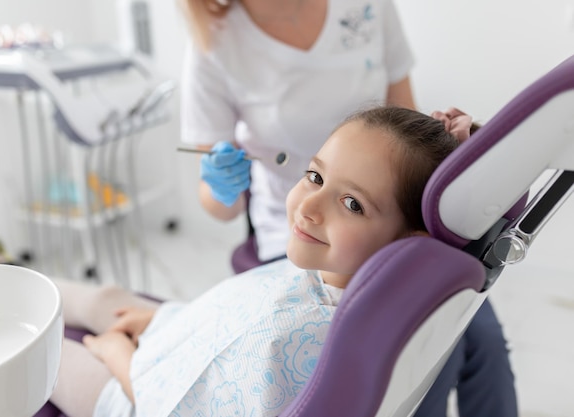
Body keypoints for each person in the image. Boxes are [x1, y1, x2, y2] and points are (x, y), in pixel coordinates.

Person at [177, 1, 518, 416]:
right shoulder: (216, 42)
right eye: (314, 176)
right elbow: (219, 208)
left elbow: (405, 127)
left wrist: (455, 149)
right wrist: (222, 187)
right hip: (299, 240)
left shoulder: (367, 6)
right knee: (424, 356)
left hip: (386, 225)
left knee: (477, 333)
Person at [50, 106, 475, 417]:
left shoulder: (308, 337)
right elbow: (230, 326)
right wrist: (167, 325)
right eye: (315, 176)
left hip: (138, 398)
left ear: (408, 243)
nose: (308, 207)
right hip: (175, 346)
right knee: (107, 297)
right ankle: (2, 282)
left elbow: (177, 406)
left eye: (351, 204)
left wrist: (118, 354)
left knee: (50, 361)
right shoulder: (327, 273)